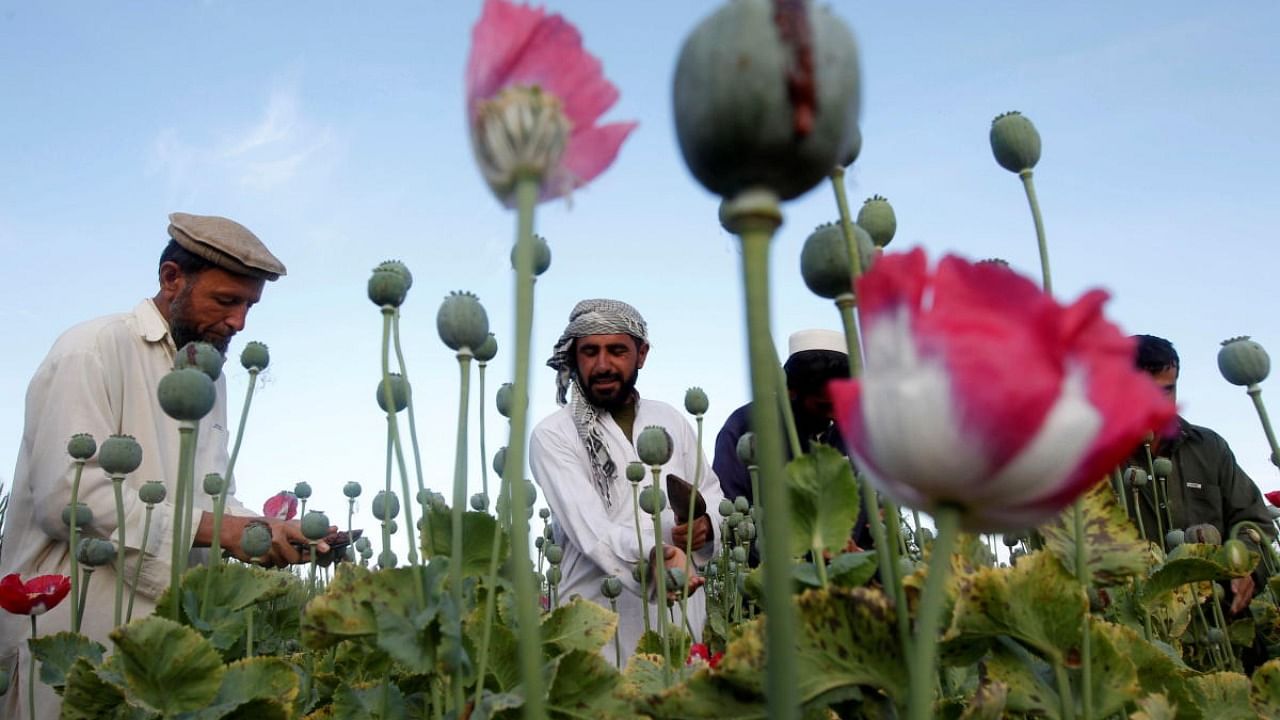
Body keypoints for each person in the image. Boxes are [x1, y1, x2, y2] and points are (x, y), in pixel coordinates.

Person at [0, 213, 324, 719]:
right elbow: (69, 497)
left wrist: (266, 531)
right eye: (227, 301)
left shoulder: (208, 373)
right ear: (172, 278)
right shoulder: (90, 350)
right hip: (76, 632)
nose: (239, 322)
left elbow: (211, 495)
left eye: (249, 306)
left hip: (168, 640)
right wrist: (221, 528)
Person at [530, 299, 724, 663]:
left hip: (681, 617)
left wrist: (707, 526)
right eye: (590, 352)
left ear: (642, 354)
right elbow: (593, 531)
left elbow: (711, 492)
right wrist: (656, 555)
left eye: (617, 350)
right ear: (574, 357)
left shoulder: (670, 419)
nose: (602, 365)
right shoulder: (553, 435)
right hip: (596, 624)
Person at [1128, 334, 1272, 615]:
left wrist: (1246, 570)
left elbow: (1254, 524)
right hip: (1135, 626)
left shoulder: (1209, 448)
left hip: (1218, 622)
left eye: (1166, 391)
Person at [712, 329, 870, 563]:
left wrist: (858, 556)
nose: (836, 416)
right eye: (823, 406)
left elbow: (870, 517)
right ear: (790, 391)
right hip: (770, 588)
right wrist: (806, 554)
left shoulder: (856, 433)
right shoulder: (746, 426)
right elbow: (729, 516)